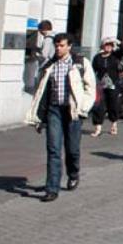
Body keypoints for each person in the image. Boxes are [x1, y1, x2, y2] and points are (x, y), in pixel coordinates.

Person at [27, 32, 96, 202]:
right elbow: (40, 90)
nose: (58, 48)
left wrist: (83, 107)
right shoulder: (49, 65)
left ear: (69, 46)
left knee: (72, 148)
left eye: (62, 45)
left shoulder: (80, 63)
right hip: (54, 111)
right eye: (56, 45)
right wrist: (38, 115)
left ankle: (73, 173)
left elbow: (91, 88)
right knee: (53, 149)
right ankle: (52, 188)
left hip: (72, 111)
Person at [90, 37, 123, 137]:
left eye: (110, 45)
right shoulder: (97, 57)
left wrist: (116, 41)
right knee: (99, 106)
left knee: (113, 104)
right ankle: (98, 128)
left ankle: (113, 124)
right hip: (101, 84)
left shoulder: (115, 55)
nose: (109, 47)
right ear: (102, 46)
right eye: (107, 45)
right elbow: (93, 70)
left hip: (113, 84)